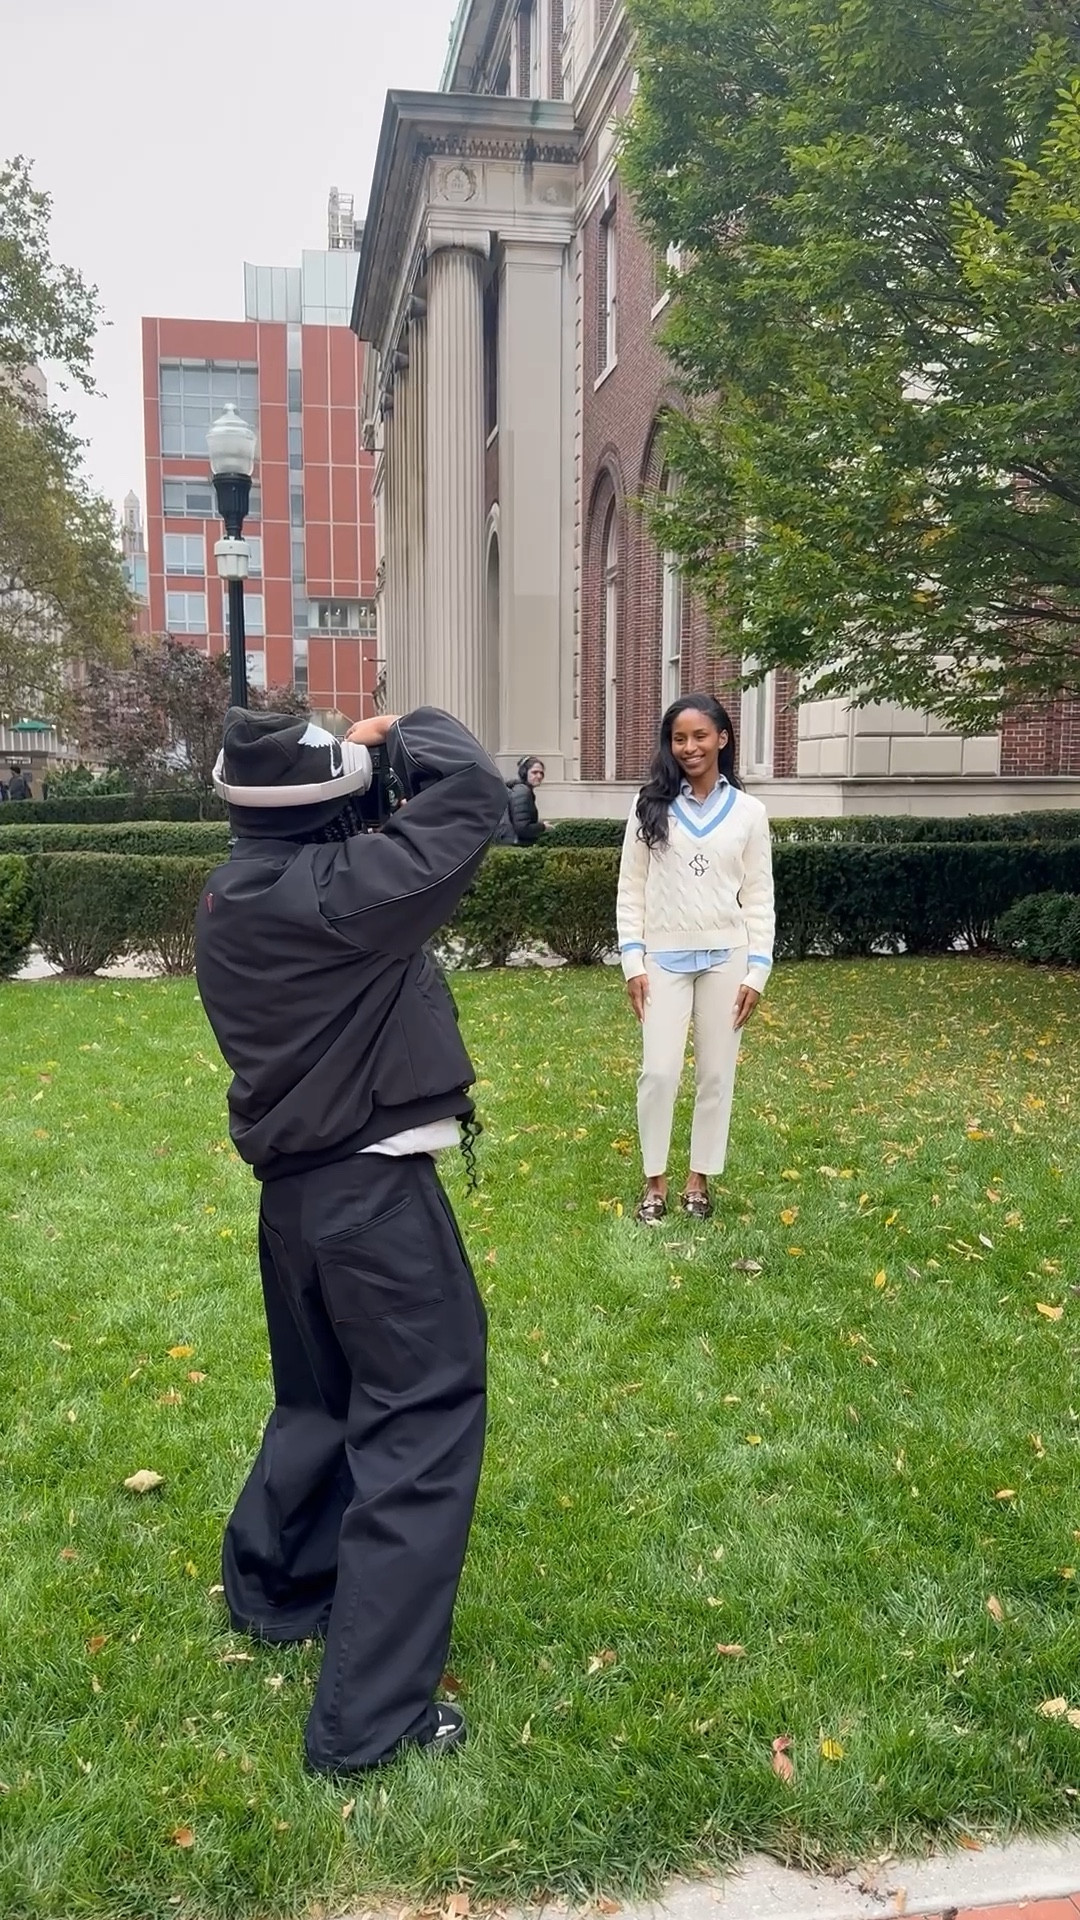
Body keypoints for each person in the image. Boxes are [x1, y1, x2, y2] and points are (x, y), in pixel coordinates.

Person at [195, 705, 509, 1775]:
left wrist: (355, 776)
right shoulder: (343, 899)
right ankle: (372, 1722)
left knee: (322, 1402)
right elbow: (472, 796)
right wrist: (397, 735)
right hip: (373, 1204)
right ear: (329, 801)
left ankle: (278, 1587)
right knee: (421, 1418)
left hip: (295, 1206)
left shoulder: (234, 894)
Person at [616, 694, 775, 1225]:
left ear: (722, 739)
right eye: (679, 738)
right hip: (662, 957)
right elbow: (631, 890)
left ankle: (698, 1180)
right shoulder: (648, 805)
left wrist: (757, 969)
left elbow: (758, 895)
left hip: (726, 958)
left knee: (716, 1075)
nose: (689, 747)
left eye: (700, 736)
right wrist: (633, 962)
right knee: (658, 1072)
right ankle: (654, 1182)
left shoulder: (750, 813)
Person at [503, 756, 548, 846]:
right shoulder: (522, 792)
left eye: (541, 773)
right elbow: (522, 829)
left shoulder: (522, 790)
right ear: (524, 773)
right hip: (516, 846)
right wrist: (542, 827)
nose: (539, 776)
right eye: (534, 772)